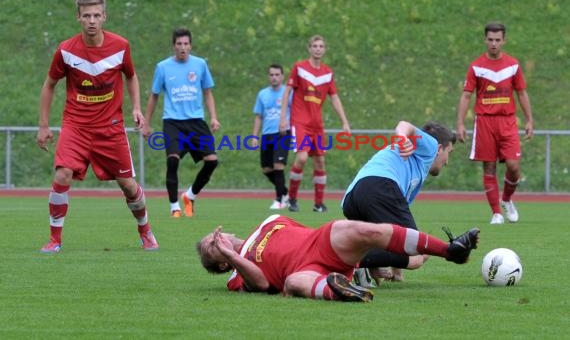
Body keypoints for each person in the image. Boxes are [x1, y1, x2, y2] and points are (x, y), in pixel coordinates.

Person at [36, 0, 158, 253]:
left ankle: (145, 231)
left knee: (127, 185)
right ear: (78, 17)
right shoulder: (66, 51)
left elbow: (131, 76)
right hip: (76, 126)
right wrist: (44, 125)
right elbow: (49, 85)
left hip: (110, 128)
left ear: (104, 17)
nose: (92, 20)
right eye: (86, 15)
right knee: (62, 174)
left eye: (96, 15)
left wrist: (136, 108)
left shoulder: (120, 46)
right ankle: (54, 239)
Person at [197, 214, 480, 302]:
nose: (216, 239)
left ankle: (450, 251)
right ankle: (342, 291)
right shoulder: (236, 275)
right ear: (222, 264)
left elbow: (302, 230)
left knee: (359, 229)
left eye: (213, 236)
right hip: (303, 269)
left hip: (318, 242)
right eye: (212, 246)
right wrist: (233, 256)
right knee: (294, 282)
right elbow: (260, 284)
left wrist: (351, 251)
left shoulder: (268, 221)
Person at [342, 121, 456, 285]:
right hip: (380, 186)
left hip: (352, 198)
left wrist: (393, 271)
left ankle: (361, 265)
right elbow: (404, 125)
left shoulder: (407, 170)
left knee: (385, 240)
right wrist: (402, 138)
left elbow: (398, 233)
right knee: (419, 255)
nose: (447, 161)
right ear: (439, 149)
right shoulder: (430, 146)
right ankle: (346, 258)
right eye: (449, 152)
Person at [456, 22, 533, 225]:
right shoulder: (476, 66)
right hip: (485, 122)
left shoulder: (513, 65)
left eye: (497, 40)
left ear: (504, 40)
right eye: (490, 39)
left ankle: (507, 199)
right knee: (489, 168)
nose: (493, 43)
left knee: (513, 166)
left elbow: (522, 93)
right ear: (485, 39)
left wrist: (529, 120)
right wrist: (460, 124)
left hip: (507, 121)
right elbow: (466, 96)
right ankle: (496, 213)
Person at [143, 28, 220, 218]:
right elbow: (154, 96)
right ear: (174, 46)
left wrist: (213, 117)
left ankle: (190, 196)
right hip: (173, 122)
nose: (183, 47)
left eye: (186, 44)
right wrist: (147, 123)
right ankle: (174, 207)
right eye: (179, 44)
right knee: (172, 160)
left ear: (190, 45)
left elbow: (208, 93)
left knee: (212, 161)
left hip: (196, 122)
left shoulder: (200, 64)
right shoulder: (163, 67)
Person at [279, 35, 351, 213]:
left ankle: (319, 204)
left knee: (320, 162)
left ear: (324, 50)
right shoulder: (300, 68)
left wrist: (344, 122)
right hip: (300, 122)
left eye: (321, 46)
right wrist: (283, 118)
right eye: (314, 46)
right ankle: (292, 198)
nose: (318, 49)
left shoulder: (327, 73)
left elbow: (334, 97)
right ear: (309, 49)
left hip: (317, 124)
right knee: (302, 158)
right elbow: (287, 91)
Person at [251, 64, 291, 210]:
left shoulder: (288, 92)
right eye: (271, 75)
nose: (274, 77)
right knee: (267, 169)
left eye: (277, 74)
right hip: (267, 134)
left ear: (282, 76)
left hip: (283, 133)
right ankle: (285, 192)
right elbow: (258, 116)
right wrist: (254, 136)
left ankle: (279, 200)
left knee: (278, 165)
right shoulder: (262, 94)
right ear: (269, 77)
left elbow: (296, 112)